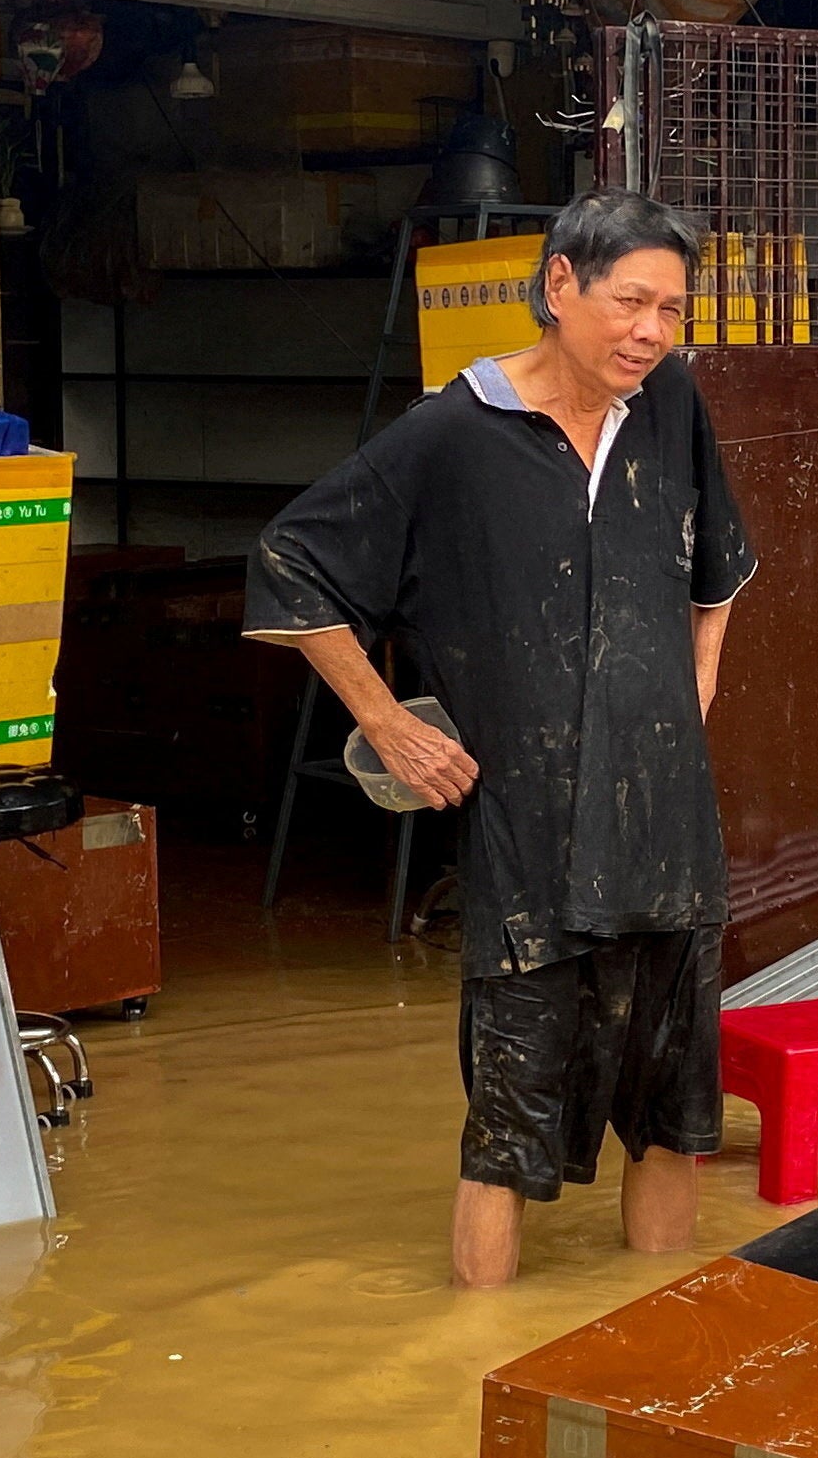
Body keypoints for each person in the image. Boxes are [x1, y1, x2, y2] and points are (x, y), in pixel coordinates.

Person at [247, 191, 756, 1289]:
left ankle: (653, 1341)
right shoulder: (451, 433)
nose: (653, 333)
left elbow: (720, 565)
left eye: (672, 310)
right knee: (504, 1141)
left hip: (670, 831)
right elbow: (292, 564)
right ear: (559, 286)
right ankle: (480, 1365)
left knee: (675, 1123)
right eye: (632, 303)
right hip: (528, 848)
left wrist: (696, 677)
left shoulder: (670, 405)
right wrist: (385, 722)